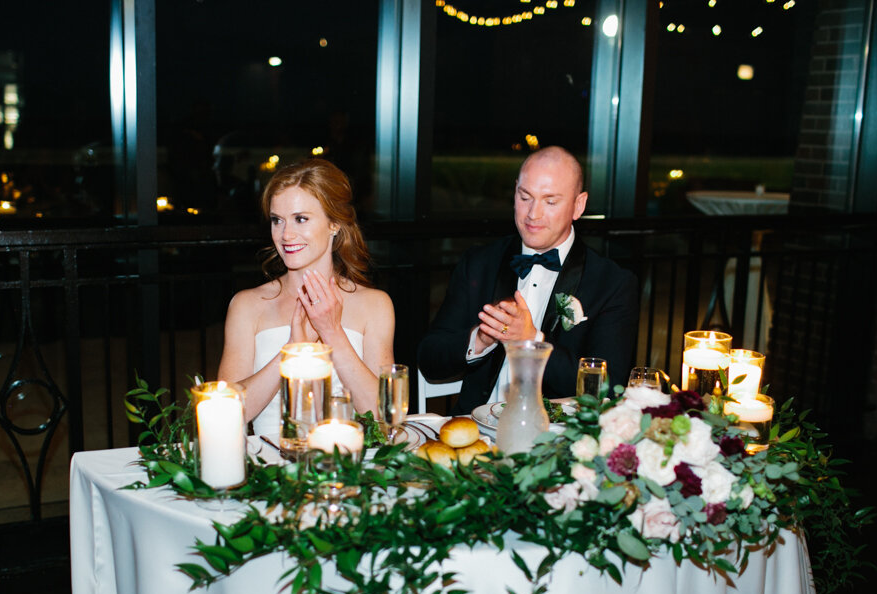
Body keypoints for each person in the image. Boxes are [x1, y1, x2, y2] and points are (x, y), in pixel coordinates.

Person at [418, 146, 638, 414]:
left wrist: (531, 341)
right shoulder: (479, 263)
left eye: (550, 201)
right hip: (476, 435)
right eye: (525, 197)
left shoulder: (612, 283)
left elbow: (607, 388)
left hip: (558, 439)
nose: (533, 214)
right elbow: (429, 358)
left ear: (578, 205)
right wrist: (480, 339)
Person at [217, 159, 394, 434]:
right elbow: (225, 415)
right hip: (271, 465)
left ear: (334, 223)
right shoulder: (247, 305)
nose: (286, 235)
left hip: (352, 465)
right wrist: (291, 350)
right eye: (277, 220)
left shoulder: (374, 305)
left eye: (301, 219)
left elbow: (384, 420)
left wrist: (332, 332)